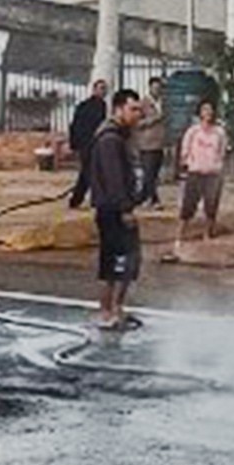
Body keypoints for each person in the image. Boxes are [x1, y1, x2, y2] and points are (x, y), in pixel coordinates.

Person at [87, 89, 145, 331]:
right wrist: (124, 209)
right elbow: (113, 179)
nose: (137, 114)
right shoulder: (110, 139)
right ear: (119, 109)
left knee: (129, 260)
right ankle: (107, 311)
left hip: (118, 207)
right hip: (112, 210)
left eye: (139, 110)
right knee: (113, 262)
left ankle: (117, 308)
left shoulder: (122, 136)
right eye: (133, 109)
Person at [170, 98, 229, 257]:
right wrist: (188, 164)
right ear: (200, 112)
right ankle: (179, 237)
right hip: (195, 172)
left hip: (213, 173)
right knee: (188, 206)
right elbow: (184, 150)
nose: (207, 113)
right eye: (204, 110)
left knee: (211, 206)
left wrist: (217, 166)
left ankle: (207, 235)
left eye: (210, 110)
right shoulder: (193, 131)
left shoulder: (219, 132)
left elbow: (222, 151)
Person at [63, 77, 110, 210]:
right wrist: (74, 144)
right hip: (86, 144)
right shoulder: (85, 106)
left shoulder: (102, 105)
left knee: (88, 173)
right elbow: (75, 125)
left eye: (105, 89)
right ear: (94, 89)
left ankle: (77, 200)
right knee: (90, 172)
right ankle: (92, 199)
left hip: (96, 143)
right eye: (101, 88)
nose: (103, 91)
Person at [132, 79, 170, 209]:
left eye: (159, 88)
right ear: (149, 88)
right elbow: (137, 123)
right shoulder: (143, 104)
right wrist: (153, 120)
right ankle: (154, 200)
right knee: (148, 172)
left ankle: (139, 197)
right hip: (146, 143)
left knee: (153, 174)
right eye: (155, 88)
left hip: (159, 143)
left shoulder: (163, 103)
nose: (157, 91)